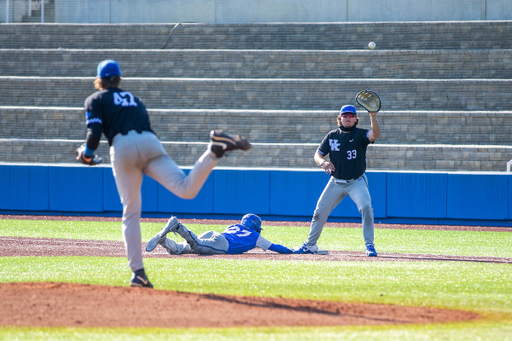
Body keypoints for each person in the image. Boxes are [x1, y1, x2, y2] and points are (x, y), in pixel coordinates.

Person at [76, 59, 251, 288]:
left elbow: (94, 135)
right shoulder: (135, 100)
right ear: (118, 78)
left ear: (99, 79)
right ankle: (213, 151)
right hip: (150, 143)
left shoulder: (95, 98)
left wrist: (86, 155)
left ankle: (138, 273)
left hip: (122, 146)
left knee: (130, 213)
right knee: (186, 188)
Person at [293, 104, 380, 256]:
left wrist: (373, 116)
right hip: (336, 181)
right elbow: (317, 154)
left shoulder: (360, 134)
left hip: (356, 181)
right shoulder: (332, 135)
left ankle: (369, 245)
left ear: (355, 120)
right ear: (340, 119)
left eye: (351, 116)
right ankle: (310, 245)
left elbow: (375, 135)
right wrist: (322, 163)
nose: (348, 118)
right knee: (319, 212)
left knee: (366, 207)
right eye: (345, 116)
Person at [145, 214, 293, 255]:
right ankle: (177, 226)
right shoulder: (255, 236)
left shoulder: (234, 226)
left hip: (215, 234)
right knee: (197, 246)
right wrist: (291, 250)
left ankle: (163, 240)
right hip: (223, 243)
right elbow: (277, 248)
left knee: (177, 249)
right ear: (255, 226)